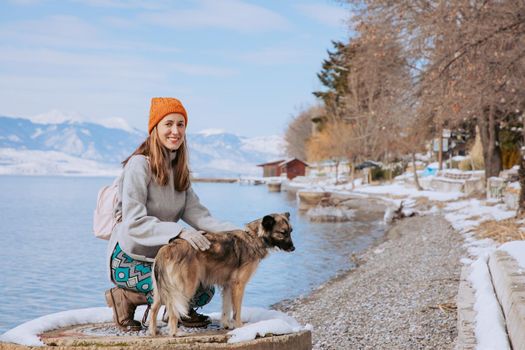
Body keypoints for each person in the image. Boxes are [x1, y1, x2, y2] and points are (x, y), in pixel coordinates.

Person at [105, 97, 239, 332]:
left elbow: (199, 215)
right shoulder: (139, 165)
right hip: (129, 256)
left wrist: (237, 232)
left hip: (164, 255)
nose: (175, 131)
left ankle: (178, 309)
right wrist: (179, 232)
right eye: (168, 124)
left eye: (180, 124)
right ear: (155, 128)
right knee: (173, 284)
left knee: (203, 290)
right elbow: (134, 223)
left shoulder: (179, 169)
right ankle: (124, 297)